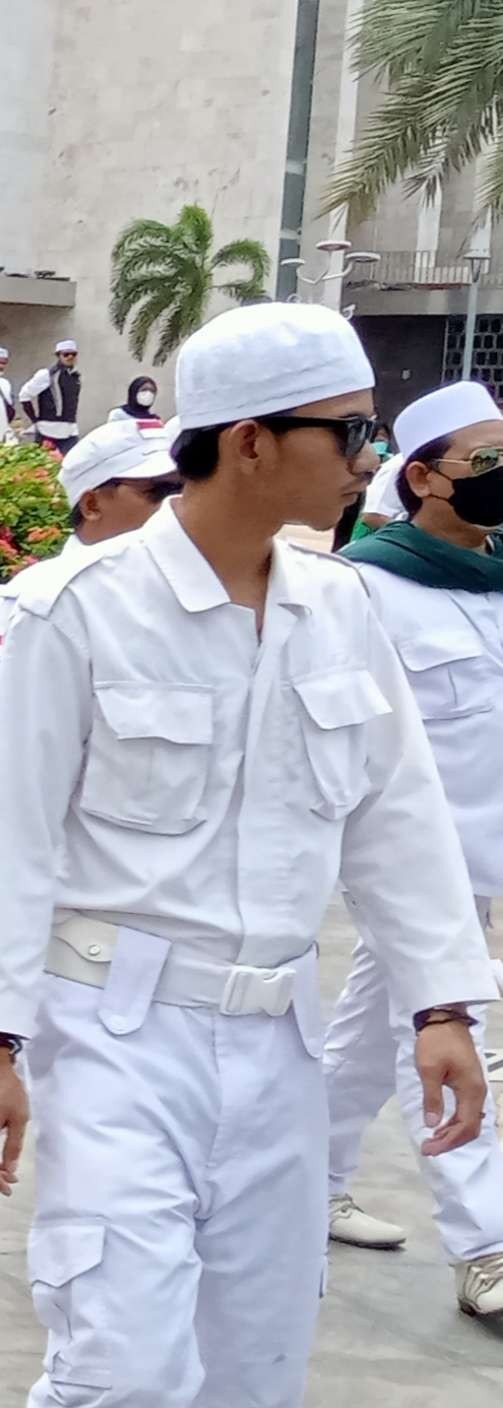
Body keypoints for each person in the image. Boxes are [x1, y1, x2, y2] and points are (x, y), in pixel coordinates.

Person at [0, 302, 490, 1408]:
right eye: (345, 431)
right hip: (113, 1031)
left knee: (251, 1385)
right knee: (126, 1361)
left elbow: (397, 815)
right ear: (249, 441)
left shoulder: (336, 607)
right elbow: (11, 841)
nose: (365, 458)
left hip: (277, 1045)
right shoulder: (76, 609)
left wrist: (441, 1006)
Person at [0, 419, 181, 1230]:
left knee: (75, 1041)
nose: (177, 505)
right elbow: (11, 752)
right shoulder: (37, 602)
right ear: (92, 500)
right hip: (65, 862)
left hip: (150, 876)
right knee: (49, 1031)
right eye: (156, 491)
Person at [317, 380, 503, 1318]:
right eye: (486, 463)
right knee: (438, 1031)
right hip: (414, 864)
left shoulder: (502, 575)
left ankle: (305, 1179)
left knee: (369, 1029)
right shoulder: (364, 586)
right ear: (424, 479)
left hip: (487, 861)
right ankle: (488, 1246)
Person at [16, 339, 82, 454]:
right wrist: (35, 420)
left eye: (73, 354)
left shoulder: (75, 376)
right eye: (66, 354)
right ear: (58, 356)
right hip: (48, 430)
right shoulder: (47, 375)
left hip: (70, 430)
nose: (70, 357)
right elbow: (24, 395)